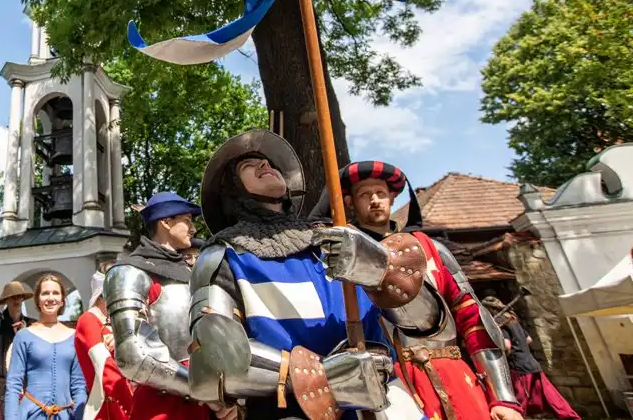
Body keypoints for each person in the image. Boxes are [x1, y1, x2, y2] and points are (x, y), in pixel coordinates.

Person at [187, 129, 432, 420]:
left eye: (268, 163)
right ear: (233, 192)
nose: (265, 164)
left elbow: (427, 325)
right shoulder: (224, 256)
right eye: (248, 166)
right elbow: (214, 358)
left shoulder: (339, 240)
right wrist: (322, 376)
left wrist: (378, 268)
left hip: (389, 406)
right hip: (294, 410)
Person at [337, 160, 523, 420]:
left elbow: (473, 319)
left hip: (454, 377)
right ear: (349, 202)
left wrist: (503, 398)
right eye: (365, 195)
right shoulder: (342, 259)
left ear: (392, 197)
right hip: (389, 385)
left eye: (381, 193)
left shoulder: (431, 249)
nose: (375, 200)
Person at [105, 192, 217, 420]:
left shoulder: (192, 272)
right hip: (163, 404)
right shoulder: (130, 272)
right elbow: (133, 356)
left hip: (208, 399)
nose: (193, 228)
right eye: (187, 220)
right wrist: (201, 390)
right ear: (165, 222)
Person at [482, 297, 579, 420]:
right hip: (532, 363)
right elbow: (528, 340)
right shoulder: (513, 319)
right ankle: (571, 418)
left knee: (520, 400)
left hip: (519, 367)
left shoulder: (500, 322)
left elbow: (507, 346)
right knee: (552, 397)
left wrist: (496, 344)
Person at [4, 274, 86, 420]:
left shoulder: (74, 337)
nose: (50, 298)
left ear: (62, 300)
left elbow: (79, 386)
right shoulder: (24, 336)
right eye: (45, 293)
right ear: (38, 300)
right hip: (30, 415)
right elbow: (14, 385)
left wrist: (80, 416)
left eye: (55, 293)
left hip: (65, 416)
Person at [74, 272, 133, 420]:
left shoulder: (119, 321)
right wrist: (132, 403)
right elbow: (104, 366)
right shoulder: (88, 320)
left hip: (127, 406)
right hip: (106, 409)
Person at [0, 282, 35, 391]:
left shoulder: (32, 325)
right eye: (12, 297)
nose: (16, 300)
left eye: (19, 296)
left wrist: (25, 334)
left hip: (27, 385)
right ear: (6, 300)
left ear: (23, 298)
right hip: (3, 385)